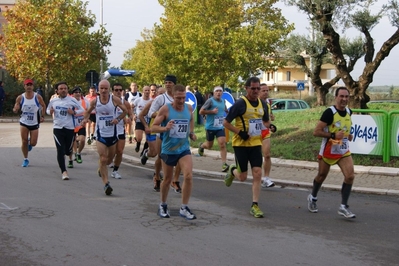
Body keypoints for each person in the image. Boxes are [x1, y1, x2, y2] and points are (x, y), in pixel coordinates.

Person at [223, 76, 270, 218]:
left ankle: (254, 205)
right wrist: (240, 132)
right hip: (240, 144)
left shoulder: (262, 104)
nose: (256, 91)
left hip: (256, 143)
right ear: (247, 88)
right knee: (243, 177)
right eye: (253, 88)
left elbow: (266, 123)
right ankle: (232, 171)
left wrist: (269, 127)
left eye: (258, 89)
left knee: (257, 173)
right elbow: (226, 122)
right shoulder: (240, 104)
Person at [307, 86, 356, 219]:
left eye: (346, 97)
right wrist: (333, 135)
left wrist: (348, 135)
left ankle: (343, 206)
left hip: (342, 150)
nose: (344, 99)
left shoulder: (349, 112)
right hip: (328, 150)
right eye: (341, 96)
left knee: (350, 176)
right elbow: (316, 132)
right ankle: (313, 197)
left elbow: (343, 129)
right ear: (336, 97)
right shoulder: (329, 112)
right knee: (322, 175)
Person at [151, 84, 197, 220]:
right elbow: (153, 127)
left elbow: (191, 119)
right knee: (167, 180)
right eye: (178, 98)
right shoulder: (166, 109)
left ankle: (184, 207)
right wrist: (165, 128)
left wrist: (192, 133)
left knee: (188, 176)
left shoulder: (188, 108)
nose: (181, 101)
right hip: (169, 149)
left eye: (183, 98)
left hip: (183, 149)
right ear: (173, 97)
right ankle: (163, 204)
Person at [82, 79, 128, 195]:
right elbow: (88, 112)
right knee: (103, 158)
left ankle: (101, 168)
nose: (103, 90)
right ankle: (106, 183)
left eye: (105, 88)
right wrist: (85, 119)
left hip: (112, 135)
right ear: (98, 89)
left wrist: (117, 119)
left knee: (108, 161)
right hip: (100, 135)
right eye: (101, 88)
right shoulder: (95, 101)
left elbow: (125, 111)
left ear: (109, 89)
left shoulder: (114, 100)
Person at [142, 75, 182, 193]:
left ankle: (175, 180)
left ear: (174, 84)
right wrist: (163, 115)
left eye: (170, 82)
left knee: (180, 157)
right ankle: (157, 177)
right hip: (163, 132)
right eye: (166, 82)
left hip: (177, 133)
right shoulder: (160, 99)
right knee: (160, 157)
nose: (168, 84)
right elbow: (150, 113)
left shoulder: (179, 97)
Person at [46, 81, 83, 179]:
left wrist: (74, 112)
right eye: (61, 89)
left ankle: (70, 150)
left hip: (69, 128)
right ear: (57, 91)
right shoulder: (53, 101)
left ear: (67, 90)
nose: (63, 90)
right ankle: (64, 172)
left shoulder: (72, 100)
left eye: (65, 88)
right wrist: (50, 112)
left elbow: (82, 109)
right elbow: (47, 110)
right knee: (60, 150)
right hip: (58, 128)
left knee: (67, 151)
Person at [13, 79, 46, 167]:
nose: (29, 87)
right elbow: (16, 108)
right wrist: (15, 109)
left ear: (33, 86)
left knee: (33, 143)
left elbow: (43, 105)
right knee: (23, 141)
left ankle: (29, 143)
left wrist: (42, 116)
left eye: (30, 85)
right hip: (24, 122)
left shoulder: (37, 97)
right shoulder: (20, 97)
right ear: (24, 86)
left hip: (34, 122)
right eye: (27, 85)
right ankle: (25, 159)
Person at [138, 85, 165, 191]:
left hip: (163, 131)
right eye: (160, 94)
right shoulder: (151, 103)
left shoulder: (169, 105)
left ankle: (157, 175)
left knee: (161, 155)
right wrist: (145, 126)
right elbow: (141, 115)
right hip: (152, 131)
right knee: (153, 153)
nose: (162, 96)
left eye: (164, 94)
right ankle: (146, 153)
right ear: (157, 94)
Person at [198, 86, 229, 172]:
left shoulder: (223, 101)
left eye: (220, 91)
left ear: (222, 93)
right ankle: (201, 146)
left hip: (220, 127)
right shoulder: (210, 101)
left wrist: (229, 113)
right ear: (214, 92)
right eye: (217, 91)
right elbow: (201, 111)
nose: (218, 93)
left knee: (222, 144)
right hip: (210, 127)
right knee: (209, 146)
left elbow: (225, 110)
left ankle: (224, 164)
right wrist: (211, 112)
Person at [110, 82, 133, 179]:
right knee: (110, 153)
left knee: (119, 151)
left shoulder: (125, 102)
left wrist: (129, 119)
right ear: (112, 91)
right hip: (109, 131)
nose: (119, 92)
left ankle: (115, 170)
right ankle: (103, 165)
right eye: (116, 90)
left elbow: (131, 114)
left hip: (120, 130)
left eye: (120, 90)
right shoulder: (108, 101)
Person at [67, 86, 90, 168]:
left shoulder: (85, 101)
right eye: (76, 92)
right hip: (71, 124)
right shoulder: (68, 101)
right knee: (70, 143)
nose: (78, 94)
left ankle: (78, 153)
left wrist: (86, 119)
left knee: (83, 140)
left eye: (79, 92)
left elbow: (88, 112)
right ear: (72, 94)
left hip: (81, 124)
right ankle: (70, 160)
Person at [259, 83, 276, 188]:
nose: (266, 92)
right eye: (263, 90)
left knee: (267, 155)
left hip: (265, 131)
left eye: (267, 90)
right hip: (254, 133)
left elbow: (268, 117)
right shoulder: (255, 103)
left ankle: (266, 178)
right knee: (254, 157)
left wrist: (271, 120)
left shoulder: (268, 103)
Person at [131, 85, 151, 153]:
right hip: (139, 120)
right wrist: (133, 115)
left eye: (148, 90)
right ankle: (138, 143)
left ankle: (144, 151)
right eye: (146, 90)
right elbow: (131, 107)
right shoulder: (138, 100)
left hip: (148, 121)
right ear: (143, 91)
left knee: (148, 139)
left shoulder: (152, 101)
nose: (147, 92)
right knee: (139, 138)